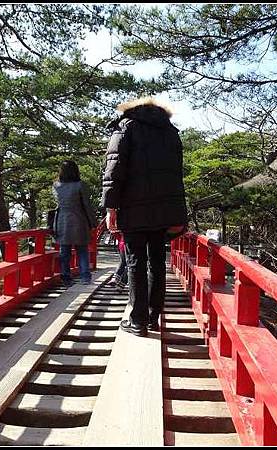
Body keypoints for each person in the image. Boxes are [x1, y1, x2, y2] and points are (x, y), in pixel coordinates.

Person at [101, 97, 187, 336]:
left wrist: (111, 208)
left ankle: (137, 320)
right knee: (157, 261)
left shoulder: (126, 127)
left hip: (133, 208)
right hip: (163, 211)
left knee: (135, 261)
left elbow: (113, 170)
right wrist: (178, 211)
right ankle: (152, 317)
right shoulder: (170, 132)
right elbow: (176, 176)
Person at [53, 160, 97, 286]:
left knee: (64, 251)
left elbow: (57, 203)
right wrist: (93, 222)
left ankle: (66, 278)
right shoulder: (80, 185)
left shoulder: (56, 186)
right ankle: (85, 277)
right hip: (79, 219)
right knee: (82, 250)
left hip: (62, 220)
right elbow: (87, 205)